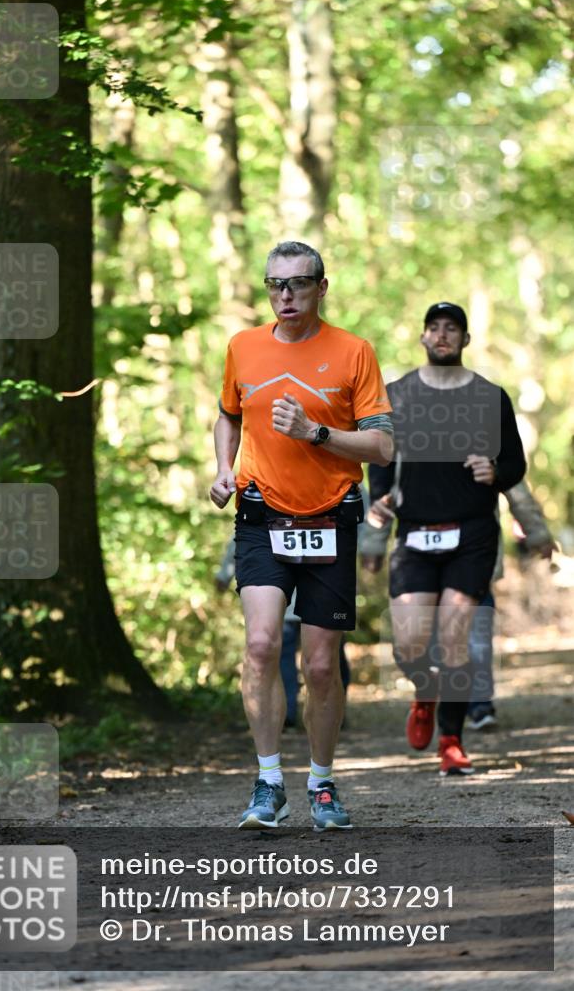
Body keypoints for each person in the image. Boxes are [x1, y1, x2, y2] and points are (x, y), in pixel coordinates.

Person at [209, 240, 393, 829]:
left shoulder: (354, 352)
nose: (285, 294)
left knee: (318, 665)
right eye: (275, 284)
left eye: (298, 283)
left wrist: (316, 432)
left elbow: (382, 446)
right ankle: (268, 783)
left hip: (331, 517)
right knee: (262, 645)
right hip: (261, 514)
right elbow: (228, 415)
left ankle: (321, 783)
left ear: (321, 287)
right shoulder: (243, 347)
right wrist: (223, 468)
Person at [366, 301, 525, 777]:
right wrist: (380, 499)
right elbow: (380, 455)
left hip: (472, 532)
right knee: (409, 643)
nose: (441, 335)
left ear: (465, 339)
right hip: (415, 531)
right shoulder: (398, 395)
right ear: (422, 337)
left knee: (454, 637)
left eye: (451, 328)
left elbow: (515, 463)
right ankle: (424, 690)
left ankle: (451, 741)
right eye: (433, 327)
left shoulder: (490, 396)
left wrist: (496, 471)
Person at [361, 479, 555, 729]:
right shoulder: (414, 452)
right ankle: (441, 696)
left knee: (476, 638)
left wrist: (537, 533)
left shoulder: (483, 453)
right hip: (421, 561)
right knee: (428, 639)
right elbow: (388, 489)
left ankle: (479, 705)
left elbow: (514, 485)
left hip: (475, 554)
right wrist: (374, 543)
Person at [215, 535, 351, 727]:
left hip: (304, 602)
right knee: (327, 657)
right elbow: (245, 536)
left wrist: (223, 576)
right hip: (305, 603)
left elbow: (237, 543)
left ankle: (300, 714)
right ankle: (325, 714)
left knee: (320, 661)